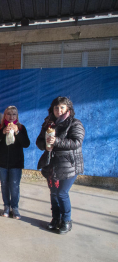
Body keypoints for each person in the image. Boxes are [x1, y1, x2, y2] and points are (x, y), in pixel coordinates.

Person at [36, 97, 84, 235]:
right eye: (56, 108)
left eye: (62, 107)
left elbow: (76, 142)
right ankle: (56, 219)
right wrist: (45, 144)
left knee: (62, 193)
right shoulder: (48, 123)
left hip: (68, 165)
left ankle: (67, 221)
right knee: (53, 193)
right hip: (51, 164)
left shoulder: (75, 123)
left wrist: (56, 141)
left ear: (68, 109)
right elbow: (39, 142)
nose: (59, 110)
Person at [0, 106, 30, 219]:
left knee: (14, 186)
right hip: (2, 163)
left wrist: (17, 132)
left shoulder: (21, 128)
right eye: (9, 114)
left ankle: (15, 207)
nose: (11, 117)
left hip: (16, 163)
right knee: (5, 185)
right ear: (5, 115)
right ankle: (6, 206)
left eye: (14, 114)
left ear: (17, 116)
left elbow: (26, 144)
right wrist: (2, 132)